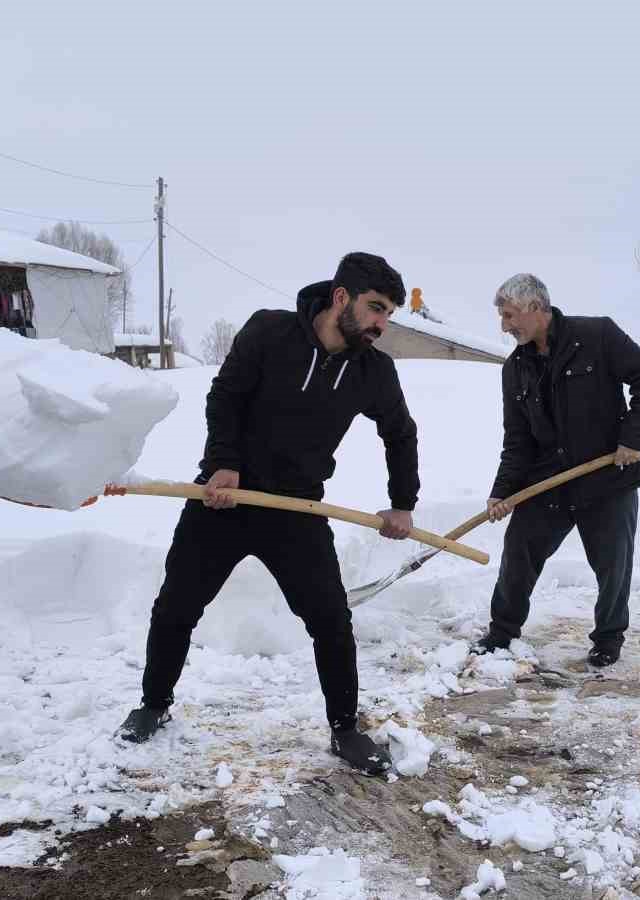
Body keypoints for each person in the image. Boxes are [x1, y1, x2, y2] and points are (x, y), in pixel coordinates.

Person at [117, 252, 419, 776]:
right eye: (375, 307)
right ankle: (152, 706)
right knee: (176, 607)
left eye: (389, 313)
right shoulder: (270, 332)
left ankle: (345, 727)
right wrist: (223, 465)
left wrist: (402, 503)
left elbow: (400, 432)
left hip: (298, 508)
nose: (381, 323)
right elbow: (225, 395)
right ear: (341, 297)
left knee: (329, 618)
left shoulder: (372, 370)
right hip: (223, 499)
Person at [473, 273, 640, 668]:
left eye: (510, 316)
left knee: (613, 564)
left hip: (606, 478)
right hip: (547, 482)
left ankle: (609, 639)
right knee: (518, 552)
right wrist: (503, 490)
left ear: (535, 307)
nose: (504, 326)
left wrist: (633, 437)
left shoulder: (597, 336)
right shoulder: (515, 369)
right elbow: (517, 439)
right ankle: (502, 632)